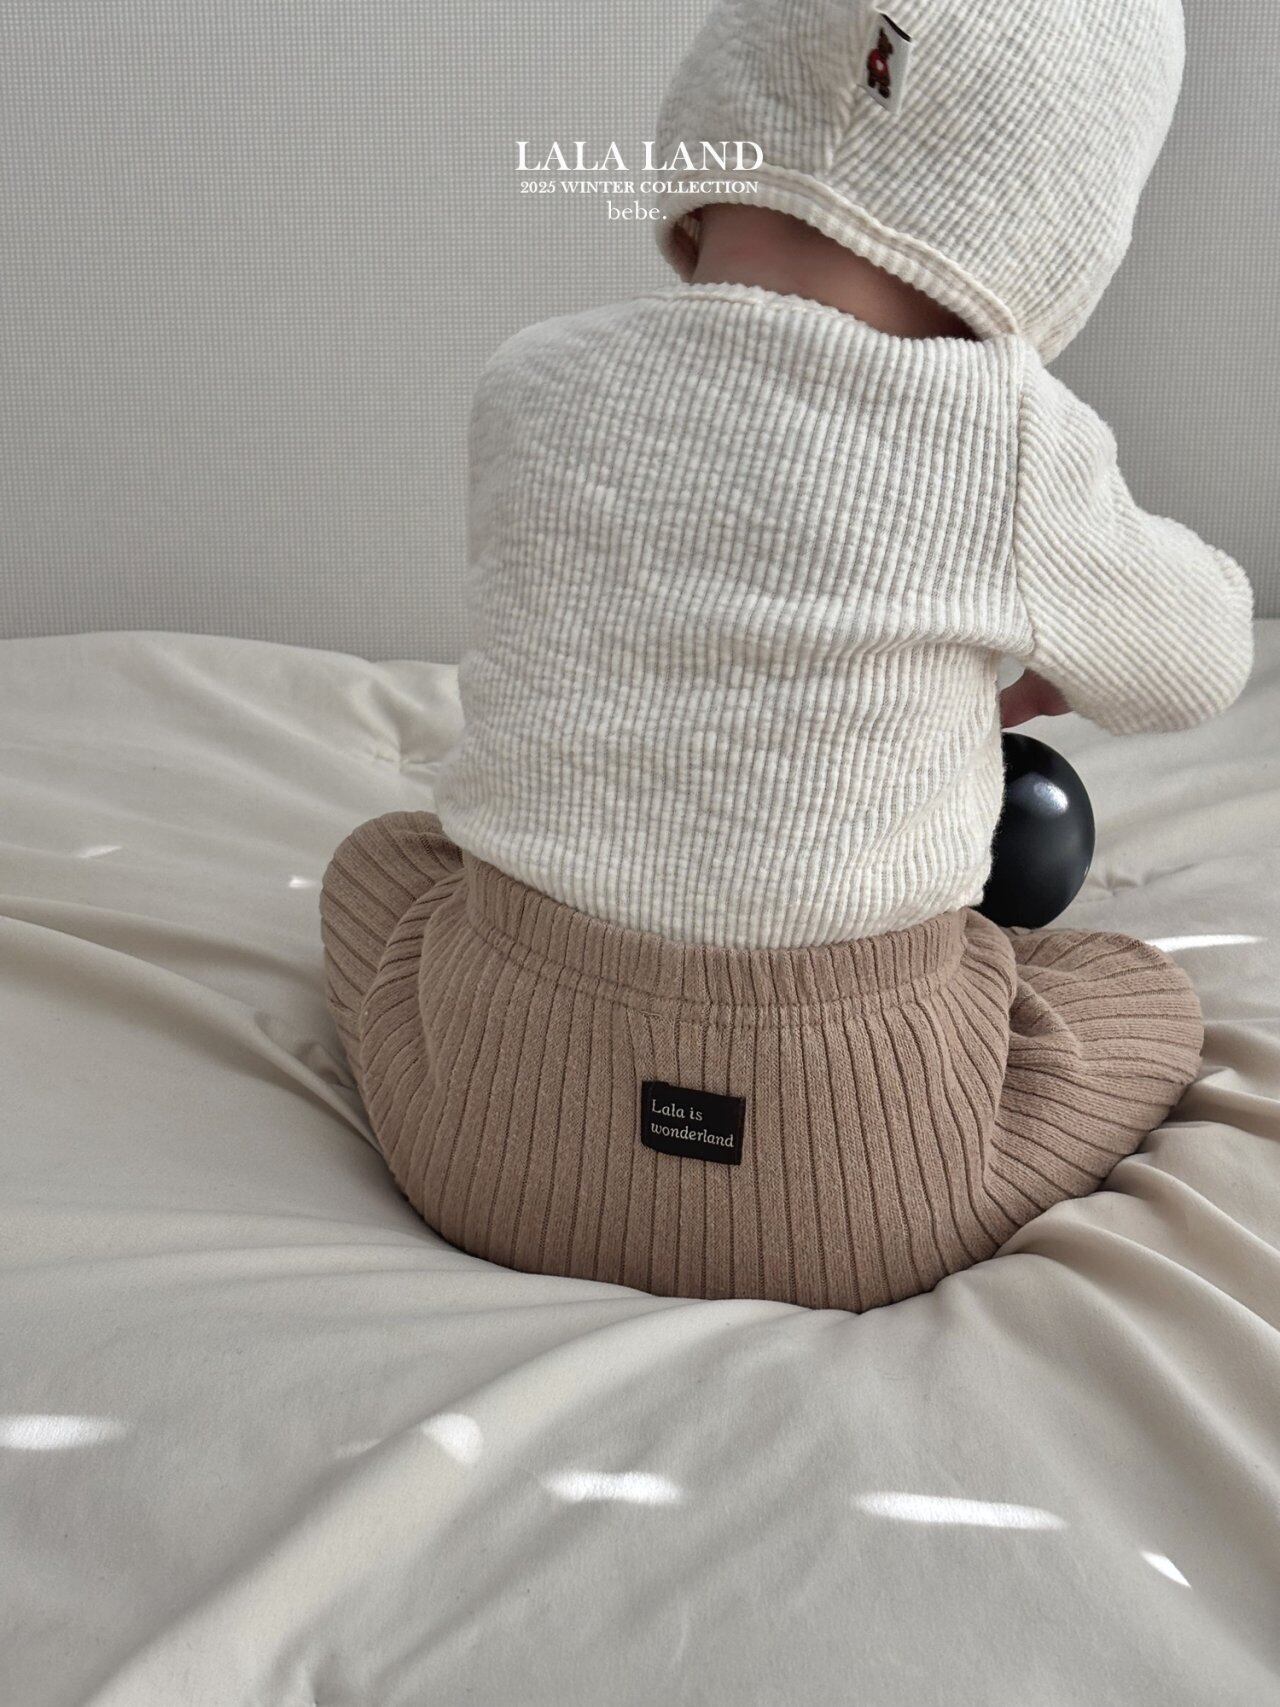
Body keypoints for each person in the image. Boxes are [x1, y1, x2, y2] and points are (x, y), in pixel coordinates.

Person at [320, 0, 1253, 1312]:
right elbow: (1199, 658)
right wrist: (1054, 653)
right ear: (1062, 218)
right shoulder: (1003, 438)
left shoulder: (531, 384)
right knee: (1140, 997)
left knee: (384, 864)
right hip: (865, 1187)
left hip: (479, 1132)